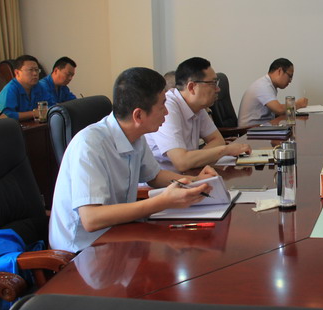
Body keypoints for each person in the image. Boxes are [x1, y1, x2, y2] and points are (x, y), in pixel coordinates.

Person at [49, 67, 215, 252]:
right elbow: (91, 219)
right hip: (82, 249)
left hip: (118, 232)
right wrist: (162, 201)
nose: (167, 113)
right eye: (162, 106)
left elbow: (155, 176)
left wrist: (196, 181)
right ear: (138, 115)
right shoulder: (89, 145)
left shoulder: (136, 136)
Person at [146, 57, 251, 171]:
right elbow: (182, 162)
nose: (218, 89)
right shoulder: (167, 108)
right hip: (167, 180)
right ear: (191, 87)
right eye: (213, 83)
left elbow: (218, 140)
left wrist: (193, 159)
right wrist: (226, 150)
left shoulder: (197, 106)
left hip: (190, 175)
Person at [237, 58, 308, 127]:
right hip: (250, 131)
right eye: (290, 76)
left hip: (261, 127)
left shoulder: (269, 85)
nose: (290, 80)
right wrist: (298, 104)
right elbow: (279, 109)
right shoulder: (263, 86)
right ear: (279, 71)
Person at [0, 54, 49, 121]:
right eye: (30, 70)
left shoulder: (39, 86)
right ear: (17, 72)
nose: (35, 73)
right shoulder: (10, 90)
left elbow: (51, 105)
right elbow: (5, 116)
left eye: (36, 70)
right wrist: (33, 113)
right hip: (16, 126)